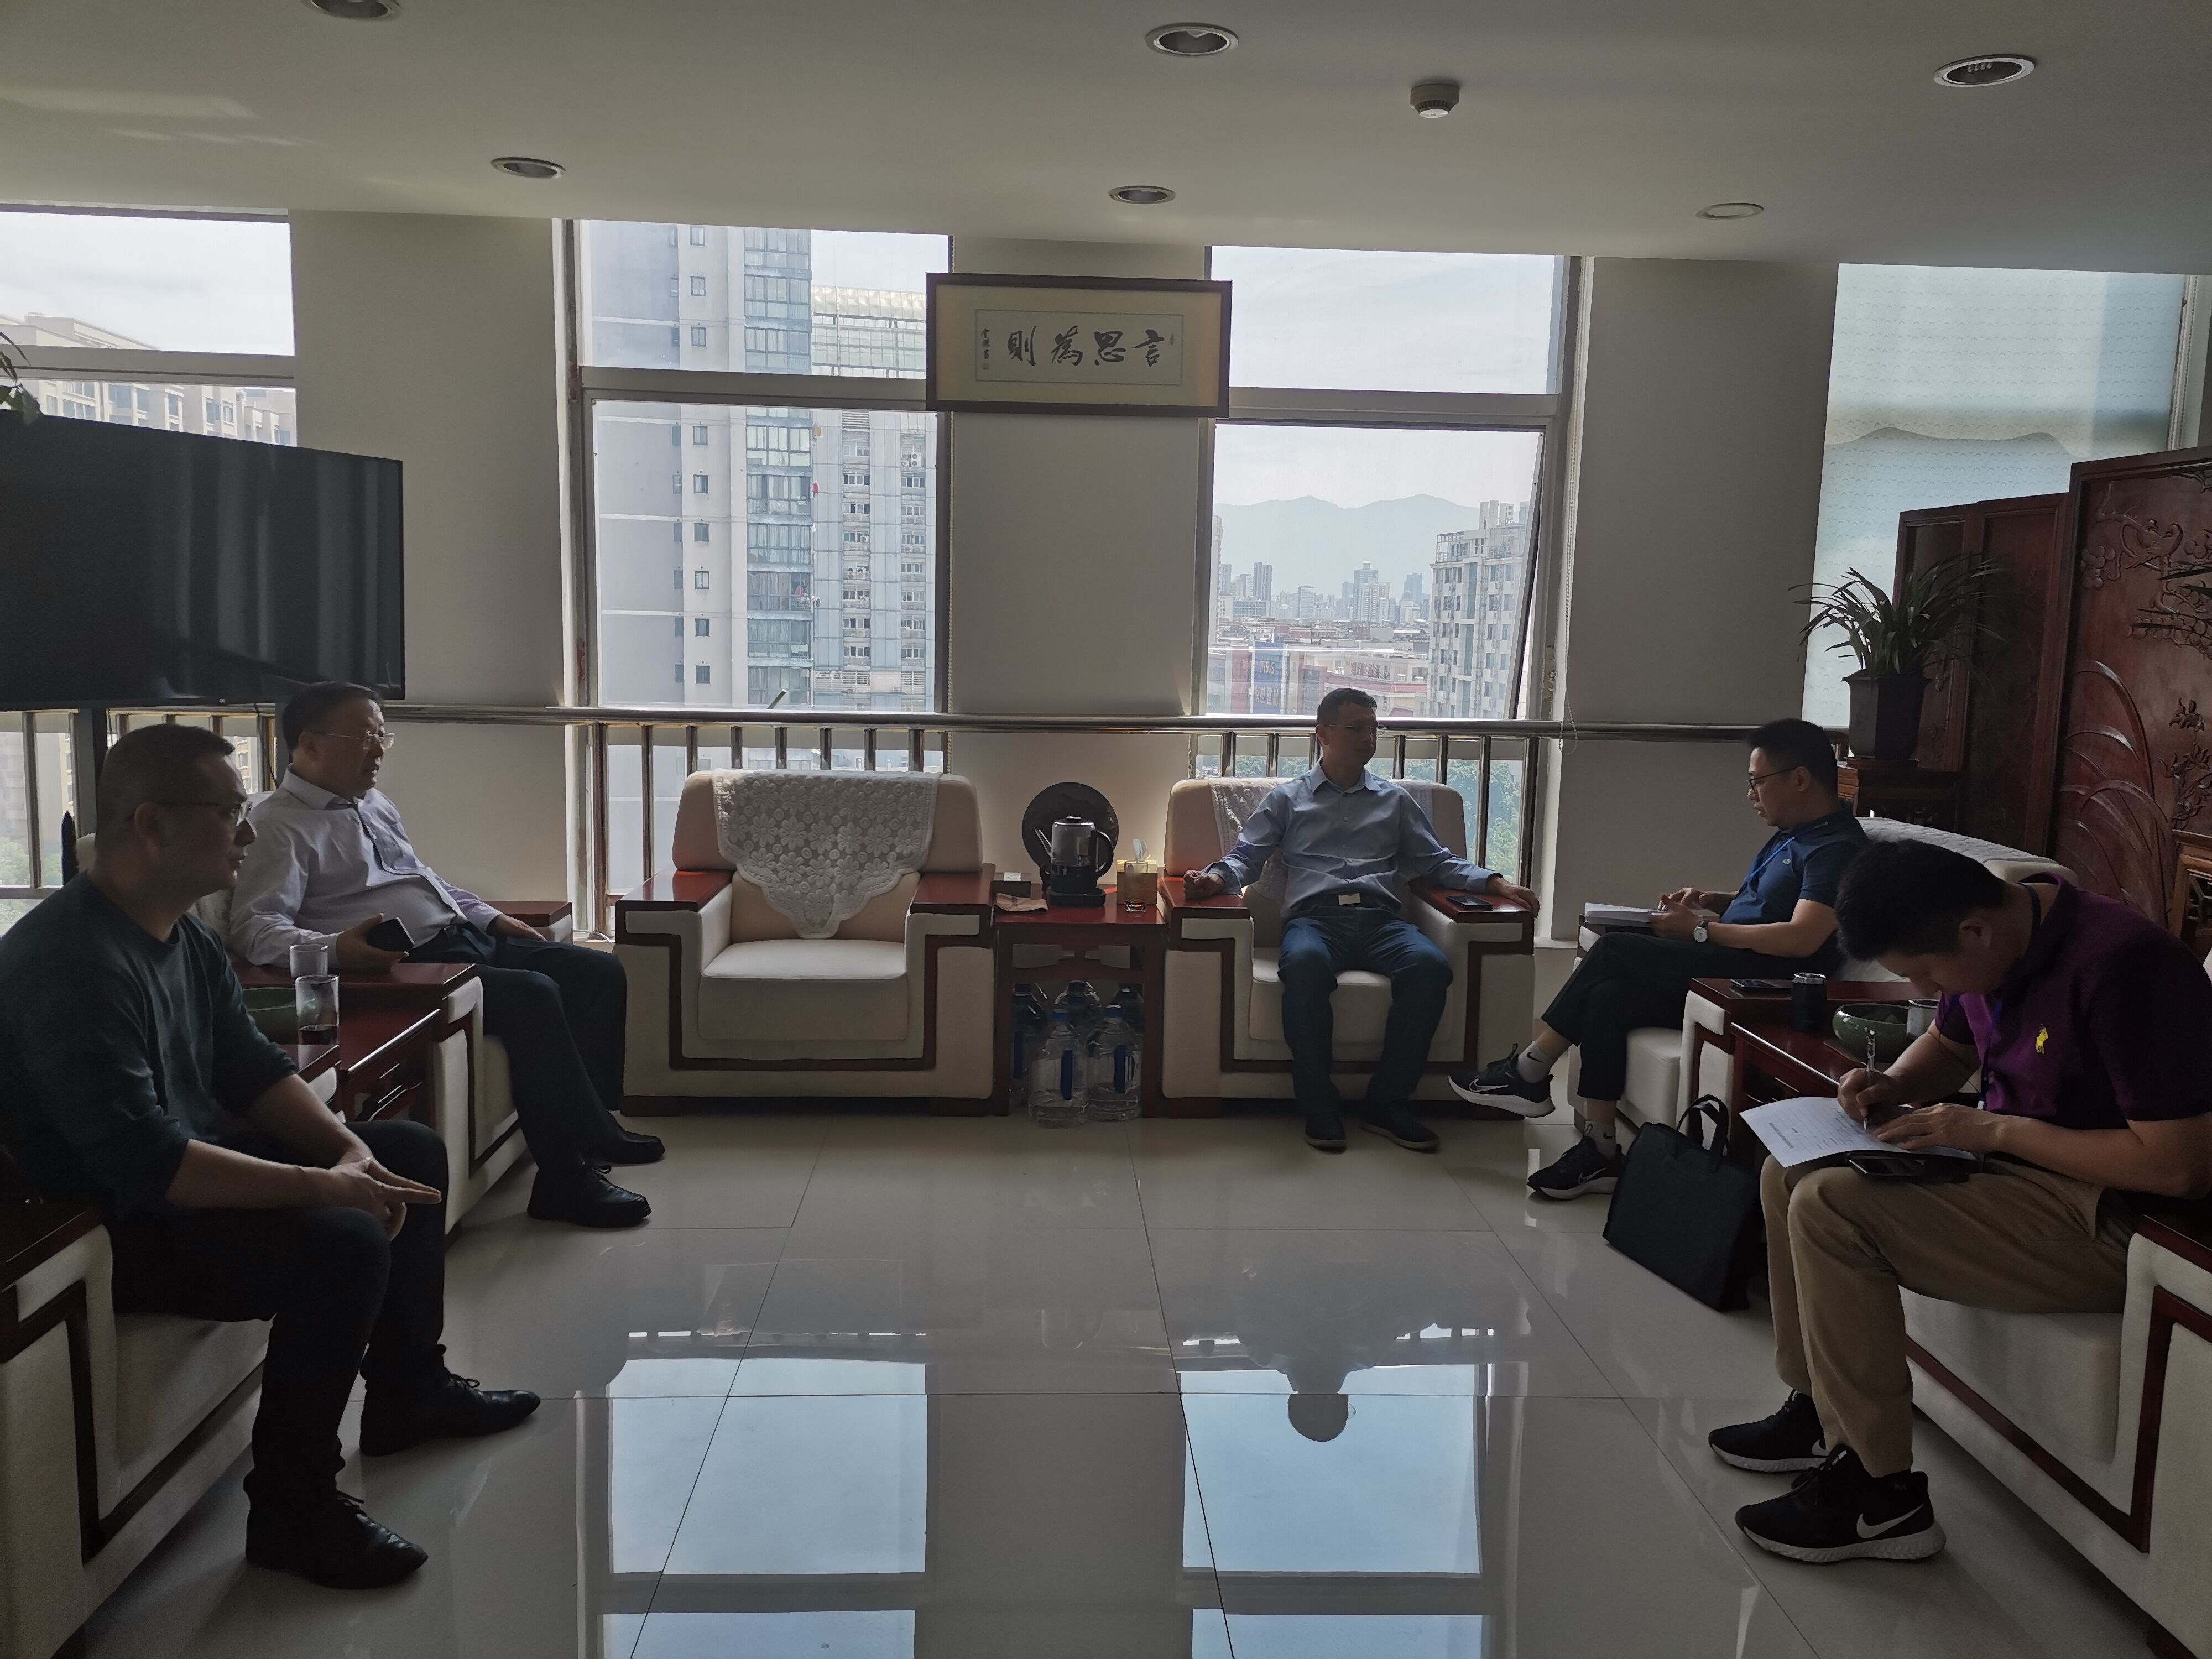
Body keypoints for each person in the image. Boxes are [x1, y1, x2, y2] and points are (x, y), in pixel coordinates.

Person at [0, 725, 541, 1589]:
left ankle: (409, 1392)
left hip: (184, 1171)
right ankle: (293, 1510)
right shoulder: (70, 964)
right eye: (228, 814)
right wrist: (327, 1189)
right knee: (343, 1243)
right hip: (116, 1228)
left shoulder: (180, 936)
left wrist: (349, 1151)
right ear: (152, 824)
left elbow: (251, 1068)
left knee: (408, 1152)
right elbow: (152, 1166)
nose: (247, 834)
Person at [1709, 839, 2212, 1563]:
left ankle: (1881, 1499)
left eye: (1923, 973)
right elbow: (1951, 1050)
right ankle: (1819, 1412)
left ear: (1974, 933)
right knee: (1786, 1173)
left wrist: (1991, 1129)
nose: (1921, 987)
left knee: (1832, 1207)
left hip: (2115, 1220)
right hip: (2014, 1175)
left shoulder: (2126, 967)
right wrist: (1891, 1084)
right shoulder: (1997, 932)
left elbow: (2178, 1167)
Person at [227, 683, 656, 1228]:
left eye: (382, 737)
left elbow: (420, 877)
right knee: (533, 994)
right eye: (363, 739)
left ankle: (595, 1129)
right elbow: (255, 927)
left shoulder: (372, 802)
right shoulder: (278, 825)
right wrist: (336, 950)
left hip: (462, 937)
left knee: (598, 971)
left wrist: (488, 915)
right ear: (310, 744)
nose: (378, 751)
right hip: (410, 967)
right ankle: (564, 1181)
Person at [1453, 717, 1866, 1200]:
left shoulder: (1835, 848)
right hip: (1733, 965)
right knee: (1607, 998)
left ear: (1799, 779)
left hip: (1759, 985)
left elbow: (1801, 938)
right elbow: (1773, 905)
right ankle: (1600, 1152)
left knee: (1614, 950)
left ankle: (1529, 1069)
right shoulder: (1796, 833)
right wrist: (1714, 900)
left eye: (1757, 781)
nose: (1750, 794)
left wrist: (1699, 929)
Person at [1182, 687, 1540, 1154]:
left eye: (1374, 728)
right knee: (1304, 966)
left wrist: (1496, 883)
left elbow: (1437, 862)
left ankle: (1387, 1103)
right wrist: (1213, 879)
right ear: (1323, 734)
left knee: (1430, 967)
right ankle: (1318, 1105)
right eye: (1356, 728)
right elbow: (1246, 857)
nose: (1368, 738)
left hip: (1380, 921)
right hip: (1315, 920)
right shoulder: (1288, 800)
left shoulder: (1394, 801)